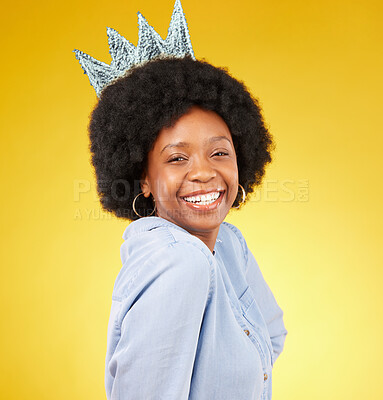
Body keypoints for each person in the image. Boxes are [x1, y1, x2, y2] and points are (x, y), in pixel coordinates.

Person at [75, 2, 287, 399]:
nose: (204, 172)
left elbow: (271, 336)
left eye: (219, 152)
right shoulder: (179, 260)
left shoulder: (228, 244)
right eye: (176, 158)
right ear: (143, 180)